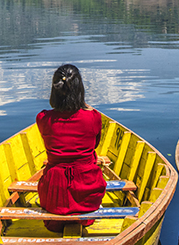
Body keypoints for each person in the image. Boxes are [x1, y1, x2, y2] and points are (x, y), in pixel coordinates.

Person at [36, 64, 107, 233]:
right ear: (79, 89)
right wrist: (82, 104)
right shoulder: (94, 117)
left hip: (54, 196)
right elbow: (94, 145)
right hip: (88, 194)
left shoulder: (43, 118)